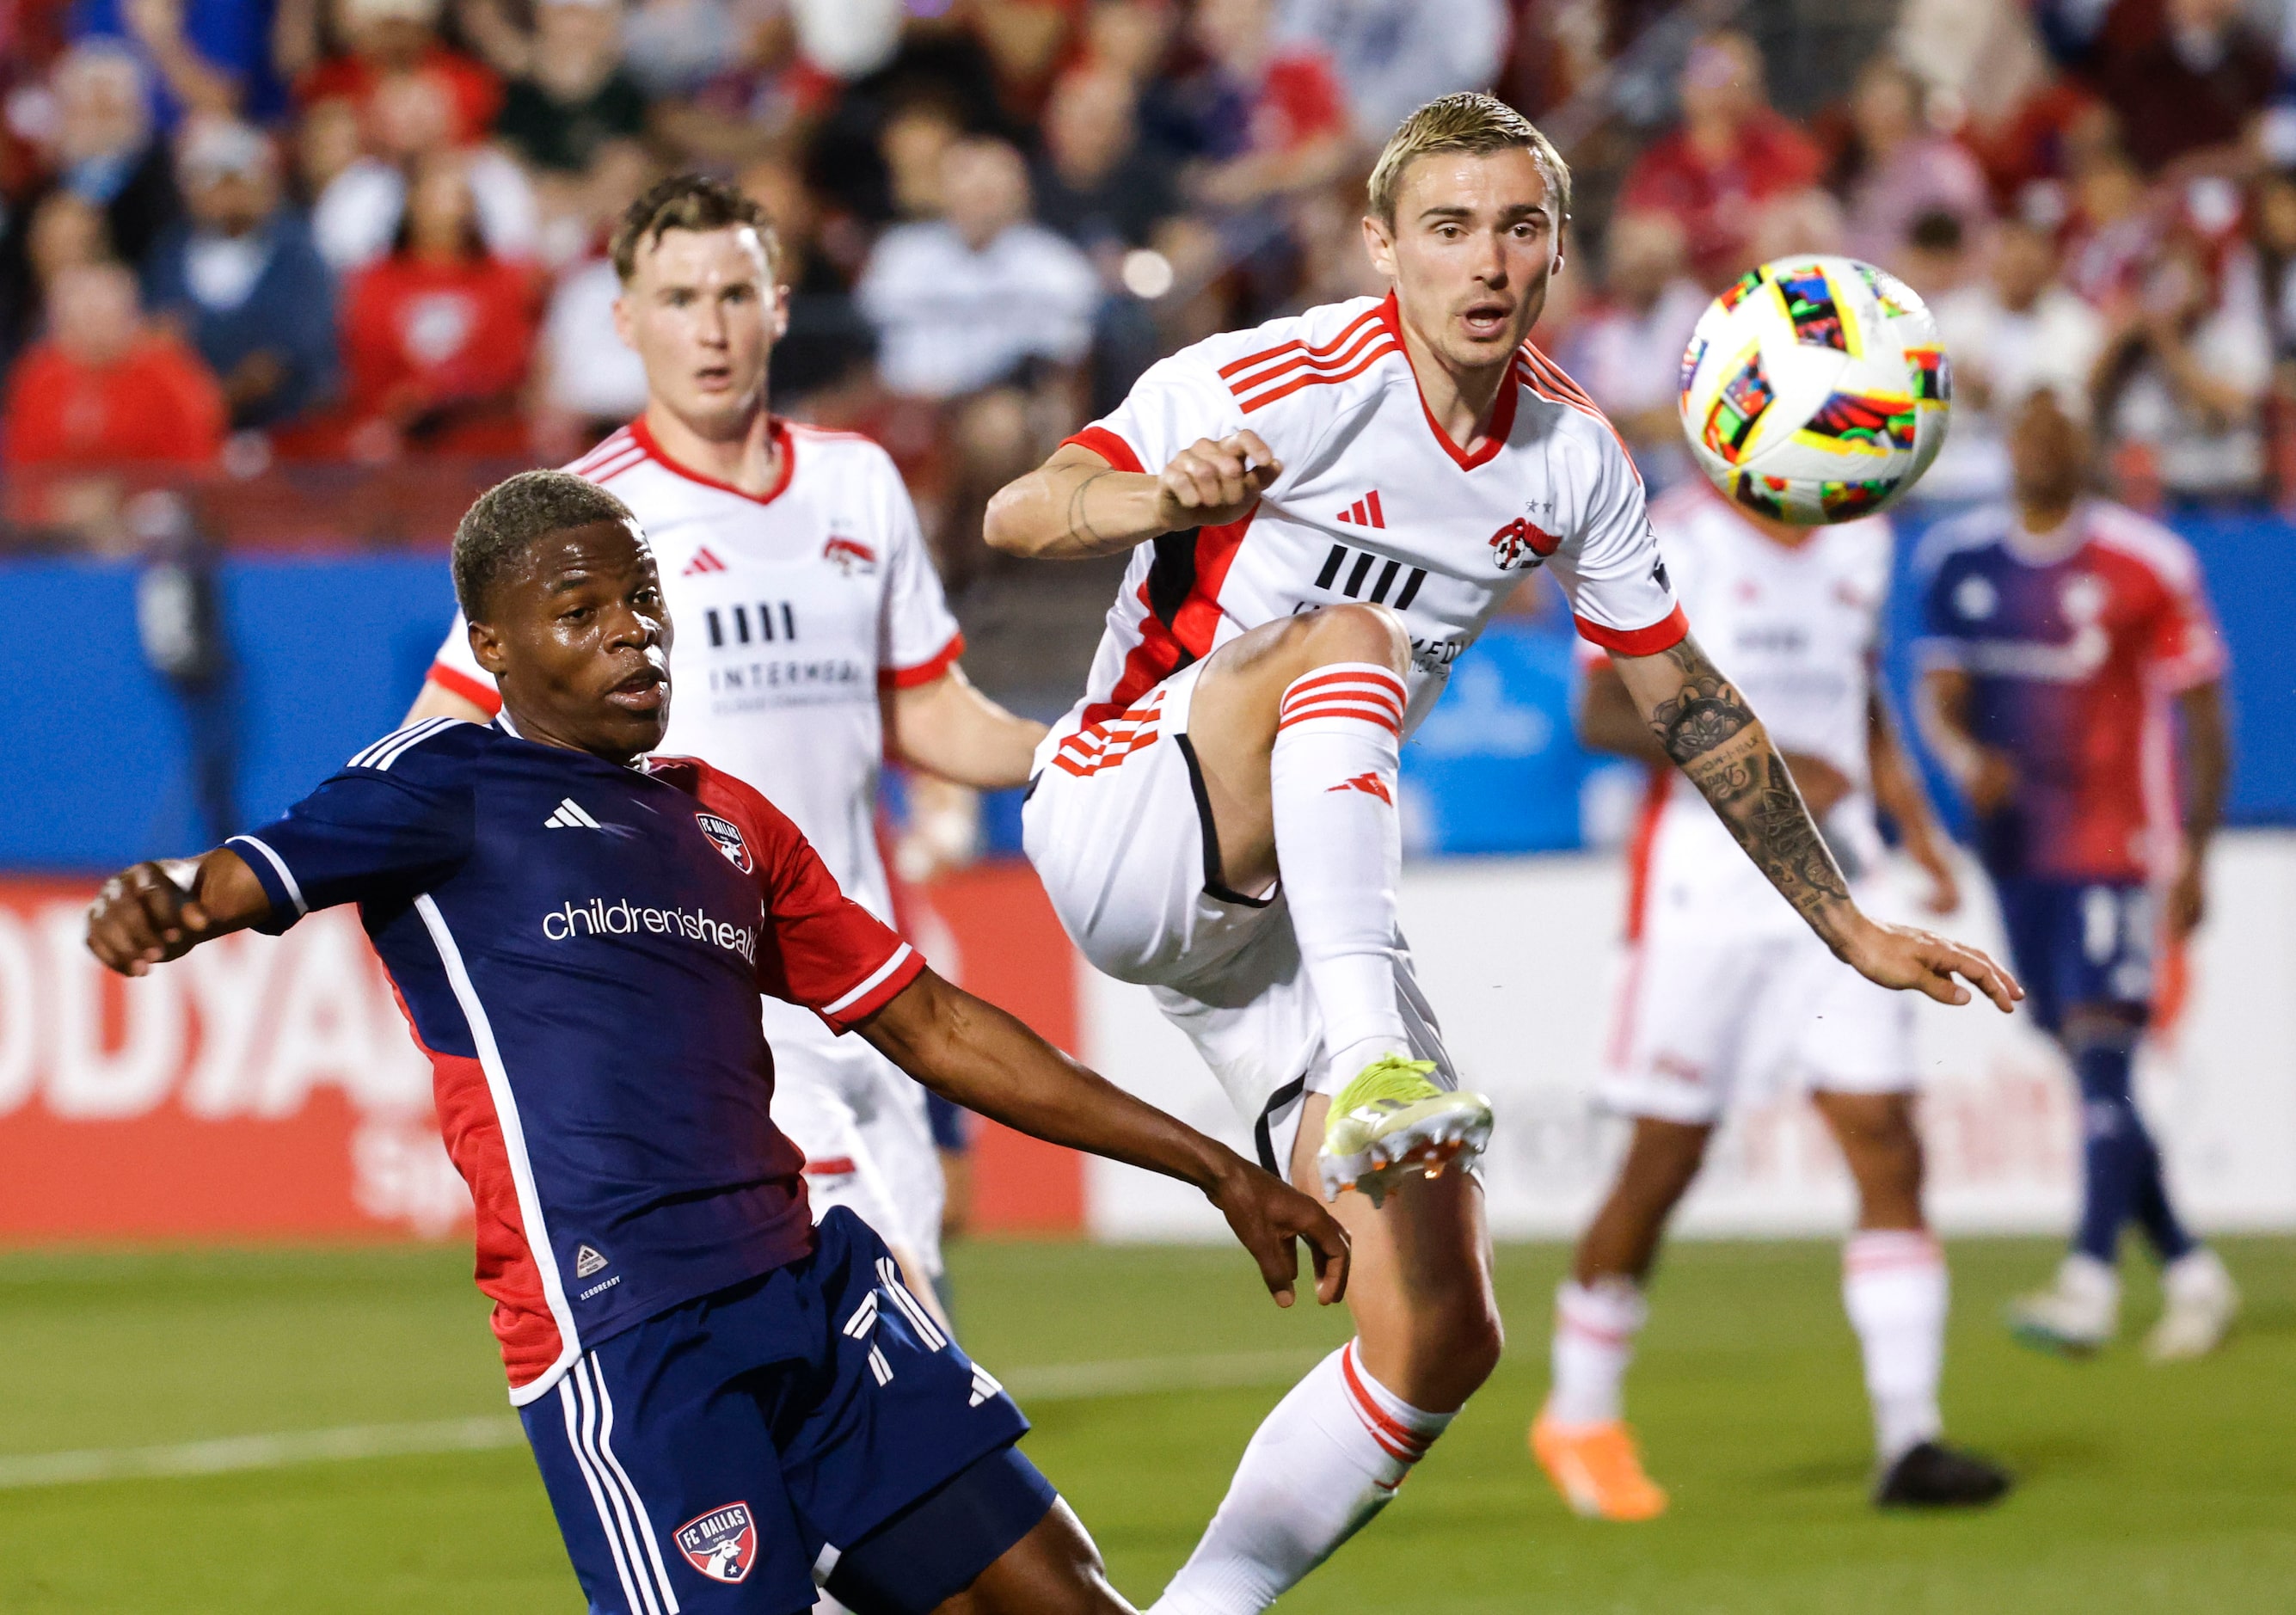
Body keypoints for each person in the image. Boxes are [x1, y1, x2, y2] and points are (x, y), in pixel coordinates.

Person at [985, 92, 2019, 1612]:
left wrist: (1846, 924)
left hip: (1266, 924)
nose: (1486, 262)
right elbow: (1024, 508)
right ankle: (1373, 1053)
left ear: (1557, 249)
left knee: (1442, 1333)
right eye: (1449, 228)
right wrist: (1153, 495)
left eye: (1519, 227)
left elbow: (1688, 697)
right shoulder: (1281, 376)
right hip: (1130, 801)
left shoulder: (1569, 456)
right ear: (1383, 245)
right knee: (1357, 640)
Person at [83, 469, 1348, 1615]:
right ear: (494, 648)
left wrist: (1215, 1166)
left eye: (640, 598)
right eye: (580, 613)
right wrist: (171, 903)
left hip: (815, 1300)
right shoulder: (443, 785)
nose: (633, 629)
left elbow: (936, 1026)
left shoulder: (728, 823)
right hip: (633, 1339)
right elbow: (238, 880)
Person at [402, 175, 1044, 1310]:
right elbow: (442, 733)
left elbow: (925, 711)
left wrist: (1085, 752)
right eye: (679, 295)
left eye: (735, 292)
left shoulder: (859, 481)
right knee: (900, 1347)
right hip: (716, 1002)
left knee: (877, 1404)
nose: (710, 325)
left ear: (779, 306)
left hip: (873, 986)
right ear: (625, 320)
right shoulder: (572, 519)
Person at [1532, 481, 2013, 1522]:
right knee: (1665, 1158)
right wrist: (1767, 767)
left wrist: (1915, 826)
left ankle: (1910, 1434)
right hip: (1705, 887)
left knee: (1884, 1133)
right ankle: (1578, 1414)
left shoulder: (1864, 546)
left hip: (1851, 875)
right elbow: (1603, 706)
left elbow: (1862, 693)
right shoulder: (1674, 535)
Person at [1917, 385, 2239, 1360]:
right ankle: (2189, 1269)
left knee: (2105, 1053)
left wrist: (2195, 855)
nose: (2043, 441)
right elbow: (1939, 698)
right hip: (2018, 856)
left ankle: (2090, 1281)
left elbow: (2206, 720)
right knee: (2086, 1064)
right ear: (2010, 443)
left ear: (2088, 449)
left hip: (2118, 845)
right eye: (2029, 424)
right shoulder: (1959, 559)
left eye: (2062, 427)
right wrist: (1970, 764)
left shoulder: (2148, 562)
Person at [144, 117, 339, 433]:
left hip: (288, 434)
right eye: (214, 181)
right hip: (191, 435)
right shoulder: (171, 253)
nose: (227, 194)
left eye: (237, 180)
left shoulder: (298, 253)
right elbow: (160, 334)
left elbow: (296, 350)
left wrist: (213, 402)